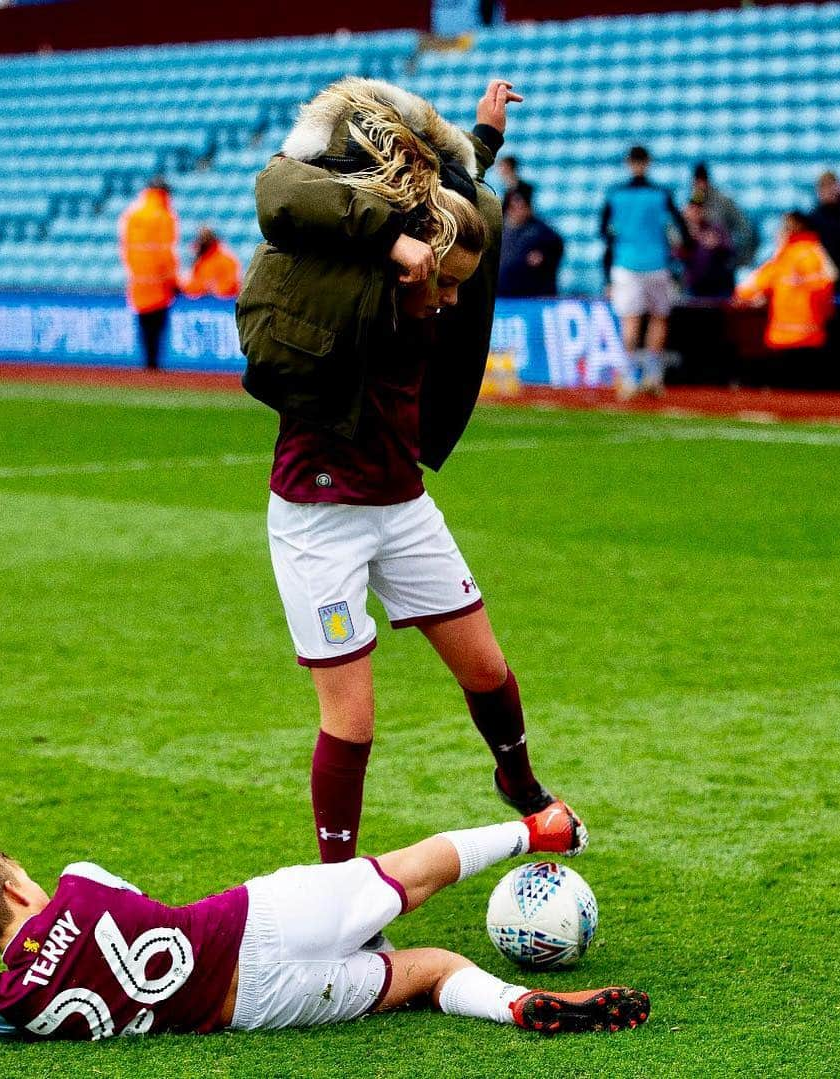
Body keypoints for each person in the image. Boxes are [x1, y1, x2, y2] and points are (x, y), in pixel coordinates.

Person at [237, 77, 586, 871]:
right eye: (447, 279)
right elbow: (282, 189)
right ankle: (337, 885)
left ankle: (524, 787)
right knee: (351, 721)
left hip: (402, 503)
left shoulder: (441, 265)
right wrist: (388, 240)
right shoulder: (336, 272)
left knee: (488, 669)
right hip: (318, 515)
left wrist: (482, 139)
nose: (456, 296)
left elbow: (459, 199)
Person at [0, 803, 649, 1041]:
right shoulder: (79, 881)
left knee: (430, 968)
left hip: (255, 1008)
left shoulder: (7, 1003)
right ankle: (536, 831)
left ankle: (512, 1003)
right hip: (252, 920)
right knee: (401, 875)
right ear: (20, 889)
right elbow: (128, 909)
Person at [600, 146, 689, 398]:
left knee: (631, 321)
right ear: (647, 163)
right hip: (656, 262)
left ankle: (629, 378)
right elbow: (681, 232)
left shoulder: (615, 195)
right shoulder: (661, 194)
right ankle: (652, 376)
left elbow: (605, 233)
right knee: (658, 318)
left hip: (626, 262)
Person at [733, 210, 837, 384]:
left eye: (785, 227)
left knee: (791, 395)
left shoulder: (797, 253)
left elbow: (749, 287)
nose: (780, 231)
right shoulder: (809, 251)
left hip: (796, 336)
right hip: (803, 336)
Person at [119, 178, 180, 370]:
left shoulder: (132, 214)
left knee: (144, 328)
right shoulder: (163, 215)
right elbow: (165, 252)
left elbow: (126, 249)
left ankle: (148, 364)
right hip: (159, 283)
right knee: (157, 328)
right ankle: (154, 366)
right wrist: (172, 279)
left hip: (138, 282)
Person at [497, 182, 564, 298]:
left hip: (532, 295)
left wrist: (544, 257)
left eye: (520, 206)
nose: (517, 211)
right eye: (513, 207)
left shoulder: (540, 231)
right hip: (504, 294)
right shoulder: (501, 231)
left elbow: (556, 248)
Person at [690, 162, 756, 269]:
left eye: (701, 181)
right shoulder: (694, 200)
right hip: (701, 263)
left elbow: (743, 228)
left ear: (706, 181)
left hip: (722, 260)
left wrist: (737, 256)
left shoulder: (723, 202)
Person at [679, 201, 735, 298]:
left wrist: (717, 246)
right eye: (691, 208)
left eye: (698, 209)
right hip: (694, 288)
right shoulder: (681, 232)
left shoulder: (715, 229)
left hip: (718, 287)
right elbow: (677, 255)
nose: (695, 212)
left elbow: (730, 252)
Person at [181, 226, 242, 299]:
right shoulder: (201, 260)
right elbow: (194, 284)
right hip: (201, 304)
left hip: (223, 305)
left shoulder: (225, 259)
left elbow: (230, 286)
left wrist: (207, 287)